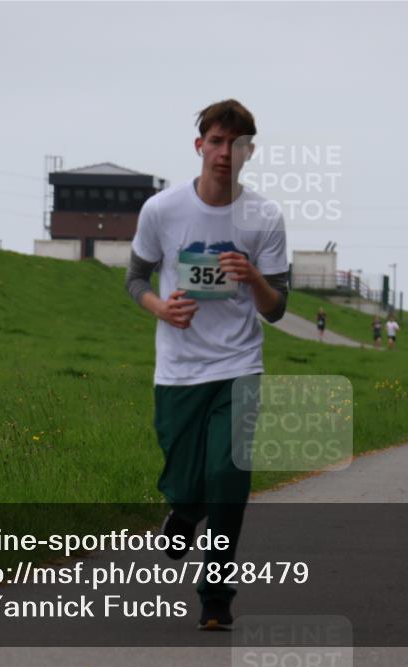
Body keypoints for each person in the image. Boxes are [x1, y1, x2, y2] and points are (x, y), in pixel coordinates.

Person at [124, 99, 288, 631]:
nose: (224, 153)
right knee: (187, 480)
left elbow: (276, 308)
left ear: (249, 153)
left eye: (236, 145)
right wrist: (161, 308)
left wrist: (253, 277)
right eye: (216, 141)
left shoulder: (264, 218)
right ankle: (186, 510)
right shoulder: (162, 210)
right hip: (179, 368)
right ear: (200, 146)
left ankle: (216, 595)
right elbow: (135, 279)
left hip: (239, 364)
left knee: (228, 476)